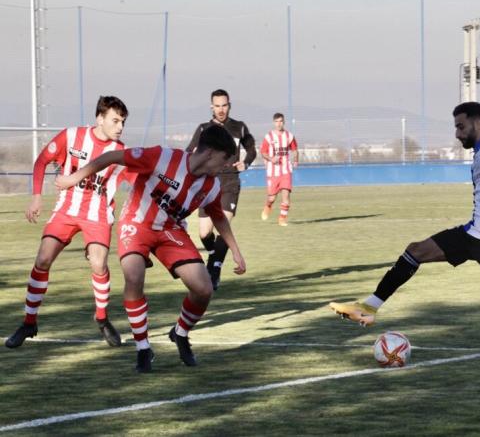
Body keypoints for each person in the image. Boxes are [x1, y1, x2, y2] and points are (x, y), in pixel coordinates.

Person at [329, 102, 480, 361]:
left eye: (461, 127)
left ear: (477, 123)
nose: (458, 133)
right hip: (471, 233)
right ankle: (370, 306)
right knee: (415, 251)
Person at [56, 125, 247, 373]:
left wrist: (235, 251)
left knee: (204, 288)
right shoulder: (162, 157)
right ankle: (143, 348)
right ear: (210, 152)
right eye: (223, 159)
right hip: (136, 222)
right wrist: (74, 177)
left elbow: (218, 217)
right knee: (134, 276)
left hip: (170, 230)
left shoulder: (210, 186)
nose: (224, 166)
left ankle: (180, 333)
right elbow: (113, 156)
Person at [5, 96, 130, 349]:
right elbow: (42, 161)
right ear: (100, 119)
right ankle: (29, 322)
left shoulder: (121, 153)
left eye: (123, 122)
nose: (120, 127)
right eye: (115, 120)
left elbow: (140, 180)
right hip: (66, 210)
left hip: (97, 213)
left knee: (98, 262)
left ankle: (102, 319)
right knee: (42, 259)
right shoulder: (71, 136)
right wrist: (37, 198)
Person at [186, 89, 256, 291]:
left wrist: (246, 162)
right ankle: (213, 257)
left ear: (229, 105)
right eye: (217, 106)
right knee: (204, 233)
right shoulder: (203, 129)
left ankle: (214, 269)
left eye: (224, 105)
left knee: (223, 224)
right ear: (211, 107)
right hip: (207, 184)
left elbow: (251, 149)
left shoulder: (239, 127)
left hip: (229, 183)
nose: (221, 109)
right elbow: (188, 152)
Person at [260, 113, 299, 226]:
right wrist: (271, 158)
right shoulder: (269, 137)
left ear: (284, 122)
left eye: (281, 121)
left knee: (286, 196)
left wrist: (296, 160)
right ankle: (268, 206)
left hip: (286, 170)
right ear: (274, 122)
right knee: (272, 198)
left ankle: (282, 219)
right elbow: (263, 152)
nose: (279, 123)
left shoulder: (289, 136)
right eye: (277, 121)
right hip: (273, 171)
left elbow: (295, 149)